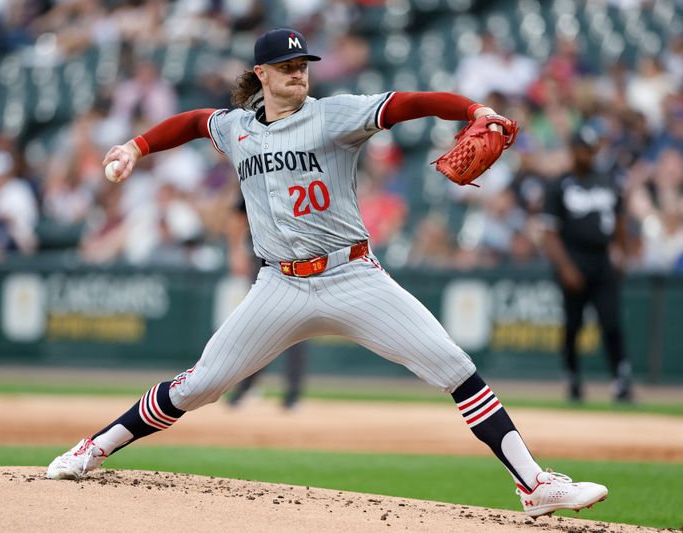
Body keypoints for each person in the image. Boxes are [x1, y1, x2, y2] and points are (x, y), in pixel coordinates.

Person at [47, 28, 608, 518]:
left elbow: (407, 103)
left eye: (303, 66)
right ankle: (93, 448)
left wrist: (472, 111)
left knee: (456, 367)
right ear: (261, 74)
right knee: (200, 385)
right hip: (281, 284)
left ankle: (534, 484)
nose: (299, 75)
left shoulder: (333, 114)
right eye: (287, 68)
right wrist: (135, 146)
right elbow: (194, 122)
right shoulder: (238, 128)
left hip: (352, 276)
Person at [541, 125, 633, 403]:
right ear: (573, 151)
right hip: (574, 257)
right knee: (573, 325)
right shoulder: (559, 184)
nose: (585, 155)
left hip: (602, 258)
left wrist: (622, 253)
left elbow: (619, 222)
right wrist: (566, 268)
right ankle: (572, 377)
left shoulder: (607, 181)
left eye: (589, 150)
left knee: (611, 322)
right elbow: (549, 232)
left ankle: (621, 379)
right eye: (580, 149)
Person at [225, 197, 306, 410]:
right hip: (263, 256)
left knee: (297, 324)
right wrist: (235, 251)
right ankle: (246, 388)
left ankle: (292, 394)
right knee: (259, 322)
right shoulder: (259, 168)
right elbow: (238, 214)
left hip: (298, 256)